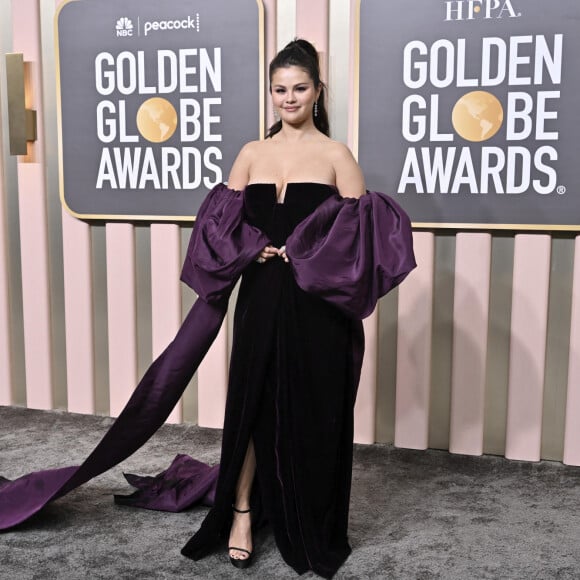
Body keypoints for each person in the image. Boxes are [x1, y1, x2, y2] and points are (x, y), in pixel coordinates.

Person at [0, 39, 415, 580]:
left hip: (316, 309)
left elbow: (364, 240)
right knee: (253, 405)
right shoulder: (250, 153)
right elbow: (217, 229)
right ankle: (241, 512)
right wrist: (252, 248)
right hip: (262, 295)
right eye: (279, 89)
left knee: (311, 412)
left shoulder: (337, 156)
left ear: (318, 92)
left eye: (299, 88)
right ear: (272, 93)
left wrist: (307, 254)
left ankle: (306, 520)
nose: (288, 98)